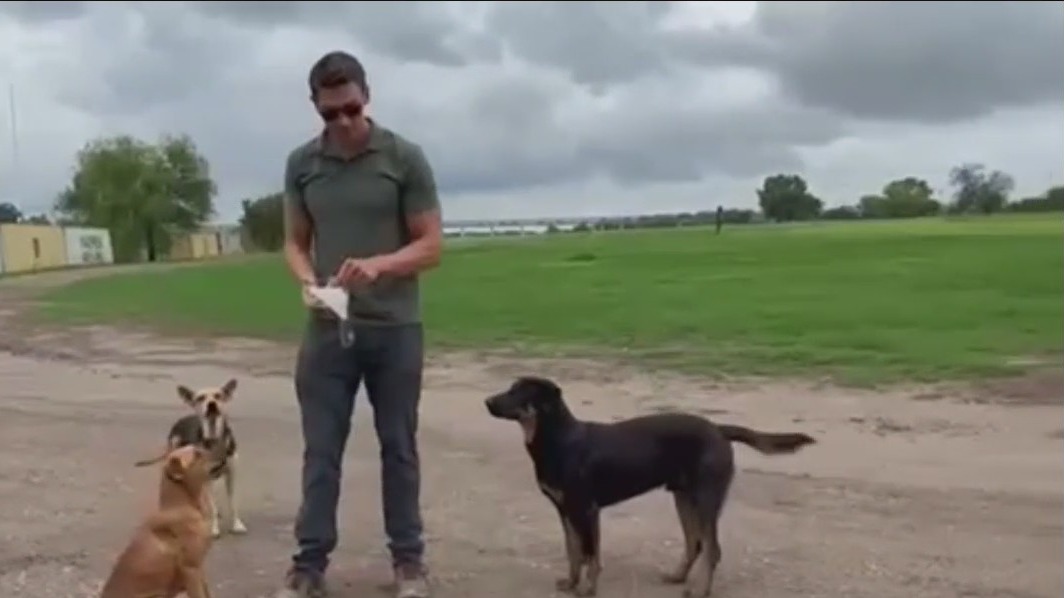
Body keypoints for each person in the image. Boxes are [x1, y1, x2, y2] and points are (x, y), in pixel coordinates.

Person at [277, 50, 443, 598]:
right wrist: (307, 281)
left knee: (398, 447)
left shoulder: (403, 157)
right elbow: (295, 244)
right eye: (330, 114)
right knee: (321, 450)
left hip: (395, 329)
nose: (343, 123)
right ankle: (308, 567)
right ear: (314, 108)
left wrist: (379, 265)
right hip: (329, 332)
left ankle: (409, 563)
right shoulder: (302, 164)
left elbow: (431, 245)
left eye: (350, 109)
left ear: (366, 96)